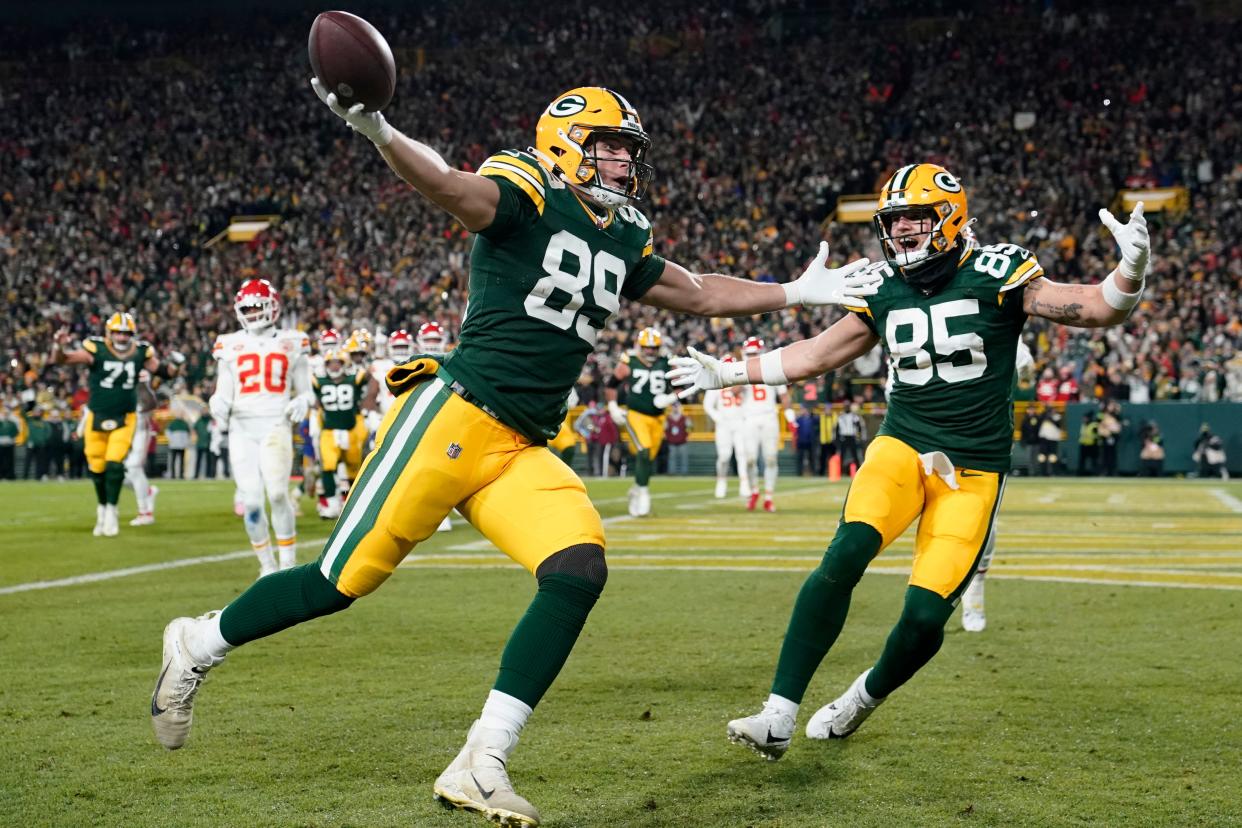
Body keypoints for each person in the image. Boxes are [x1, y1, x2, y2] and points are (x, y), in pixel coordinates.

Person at [149, 83, 879, 828]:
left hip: (522, 444)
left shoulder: (625, 229)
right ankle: (199, 643)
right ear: (565, 142)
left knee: (578, 566)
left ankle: (482, 757)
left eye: (630, 147)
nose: (625, 159)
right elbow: (450, 188)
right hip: (455, 418)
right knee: (340, 582)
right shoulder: (527, 185)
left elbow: (698, 294)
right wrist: (381, 132)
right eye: (609, 143)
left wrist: (794, 291)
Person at [669, 163, 1151, 759]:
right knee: (847, 550)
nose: (900, 236)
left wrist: (1128, 272)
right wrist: (731, 372)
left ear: (948, 220)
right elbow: (818, 355)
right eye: (892, 224)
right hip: (902, 447)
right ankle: (777, 714)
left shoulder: (999, 272)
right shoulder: (884, 286)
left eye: (914, 222)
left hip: (973, 469)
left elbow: (1096, 309)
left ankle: (861, 698)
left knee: (924, 618)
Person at [209, 279, 314, 577]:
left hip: (275, 423)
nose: (253, 312)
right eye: (248, 308)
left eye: (258, 306)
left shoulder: (293, 340)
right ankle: (266, 566)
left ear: (273, 307)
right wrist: (217, 402)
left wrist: (304, 400)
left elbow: (306, 389)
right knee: (252, 501)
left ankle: (287, 562)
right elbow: (223, 389)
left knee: (278, 494)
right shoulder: (228, 343)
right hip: (242, 427)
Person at [51, 313, 159, 537]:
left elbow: (162, 370)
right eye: (118, 332)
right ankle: (102, 507)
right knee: (96, 467)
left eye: (126, 333)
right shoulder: (96, 349)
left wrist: (175, 367)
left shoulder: (141, 352)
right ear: (109, 333)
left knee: (115, 465)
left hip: (125, 417)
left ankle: (112, 510)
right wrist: (57, 346)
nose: (121, 337)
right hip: (97, 415)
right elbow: (62, 359)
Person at [608, 327, 677, 517]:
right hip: (636, 414)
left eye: (654, 348)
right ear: (640, 346)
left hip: (659, 417)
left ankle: (636, 489)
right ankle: (644, 492)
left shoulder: (667, 361)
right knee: (643, 450)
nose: (650, 352)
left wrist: (670, 398)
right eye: (647, 348)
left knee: (648, 458)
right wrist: (613, 405)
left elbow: (681, 387)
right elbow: (611, 384)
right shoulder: (629, 360)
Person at [312, 347, 376, 520]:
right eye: (330, 363)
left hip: (351, 429)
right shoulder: (318, 380)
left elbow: (373, 382)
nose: (333, 367)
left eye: (337, 363)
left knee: (354, 470)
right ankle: (332, 505)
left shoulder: (354, 376)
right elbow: (308, 392)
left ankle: (351, 504)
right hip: (329, 431)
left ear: (343, 363)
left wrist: (368, 401)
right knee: (327, 467)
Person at [739, 336, 796, 512]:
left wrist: (791, 419)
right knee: (750, 459)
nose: (752, 356)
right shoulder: (741, 369)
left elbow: (784, 396)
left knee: (770, 458)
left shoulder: (772, 369)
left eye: (755, 353)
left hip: (769, 418)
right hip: (749, 418)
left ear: (762, 353)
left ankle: (769, 496)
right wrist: (740, 377)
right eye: (749, 354)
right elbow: (733, 393)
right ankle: (755, 491)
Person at [702, 358, 752, 499]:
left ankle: (744, 484)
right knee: (724, 456)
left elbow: (750, 400)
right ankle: (721, 481)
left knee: (742, 454)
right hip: (724, 424)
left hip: (740, 422)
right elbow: (708, 405)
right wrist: (718, 418)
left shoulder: (742, 380)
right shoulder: (716, 381)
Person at [834, 401, 866, 477]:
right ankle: (840, 472)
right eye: (846, 406)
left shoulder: (854, 416)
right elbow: (837, 429)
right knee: (842, 455)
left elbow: (859, 427)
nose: (847, 408)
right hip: (844, 437)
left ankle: (858, 472)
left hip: (852, 437)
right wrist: (837, 439)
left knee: (855, 455)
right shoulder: (841, 417)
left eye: (848, 406)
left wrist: (859, 437)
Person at [664, 400, 691, 475]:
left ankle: (684, 473)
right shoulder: (668, 418)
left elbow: (689, 427)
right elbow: (665, 429)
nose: (675, 408)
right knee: (672, 459)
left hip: (683, 441)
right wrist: (667, 437)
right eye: (674, 407)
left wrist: (687, 435)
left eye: (677, 406)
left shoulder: (684, 418)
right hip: (671, 442)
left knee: (684, 459)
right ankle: (672, 473)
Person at [794, 404, 820, 476]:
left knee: (812, 458)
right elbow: (794, 427)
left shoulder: (812, 418)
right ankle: (799, 473)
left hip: (810, 441)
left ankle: (813, 472)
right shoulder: (799, 419)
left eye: (803, 409)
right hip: (801, 441)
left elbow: (818, 420)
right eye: (802, 409)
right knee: (800, 458)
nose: (803, 411)